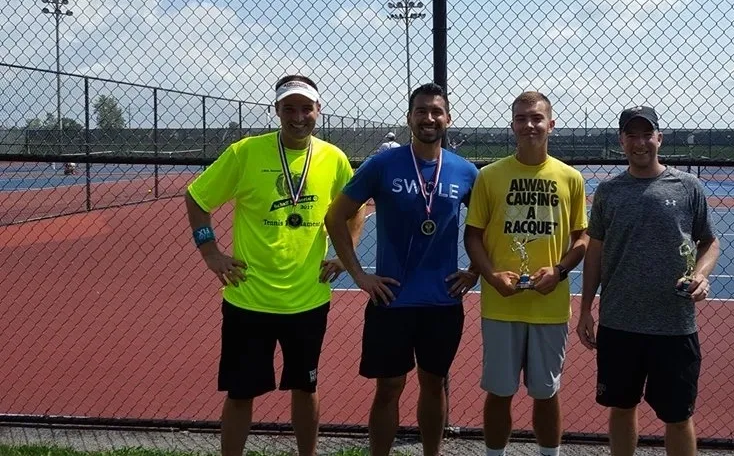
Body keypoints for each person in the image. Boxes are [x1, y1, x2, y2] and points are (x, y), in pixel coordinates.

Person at [184, 74, 364, 456]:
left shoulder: (333, 158)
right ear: (276, 111)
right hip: (248, 299)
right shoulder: (245, 152)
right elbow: (198, 197)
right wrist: (210, 252)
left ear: (318, 111)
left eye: (306, 108)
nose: (298, 117)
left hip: (307, 300)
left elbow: (356, 207)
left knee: (306, 387)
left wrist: (346, 255)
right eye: (289, 109)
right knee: (241, 393)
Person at [325, 82, 479, 456]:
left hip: (442, 302)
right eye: (422, 111)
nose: (429, 118)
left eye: (436, 111)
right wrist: (359, 275)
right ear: (410, 118)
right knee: (388, 388)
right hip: (391, 300)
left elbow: (485, 227)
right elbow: (336, 216)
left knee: (433, 382)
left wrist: (474, 270)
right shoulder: (382, 165)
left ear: (448, 118)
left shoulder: (466, 171)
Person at [576, 106, 720, 456]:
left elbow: (710, 241)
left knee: (677, 415)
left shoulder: (688, 187)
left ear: (659, 138)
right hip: (620, 323)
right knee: (622, 407)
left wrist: (699, 276)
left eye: (646, 135)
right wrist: (584, 310)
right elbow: (594, 253)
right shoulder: (608, 192)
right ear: (621, 141)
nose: (640, 143)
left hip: (674, 325)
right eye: (632, 135)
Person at [464, 91, 588, 456]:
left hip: (549, 307)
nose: (529, 124)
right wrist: (490, 276)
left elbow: (582, 237)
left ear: (551, 124)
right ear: (513, 125)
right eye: (521, 118)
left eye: (536, 118)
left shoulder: (570, 178)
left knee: (546, 393)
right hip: (502, 306)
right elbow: (472, 235)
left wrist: (561, 270)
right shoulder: (490, 176)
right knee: (499, 392)